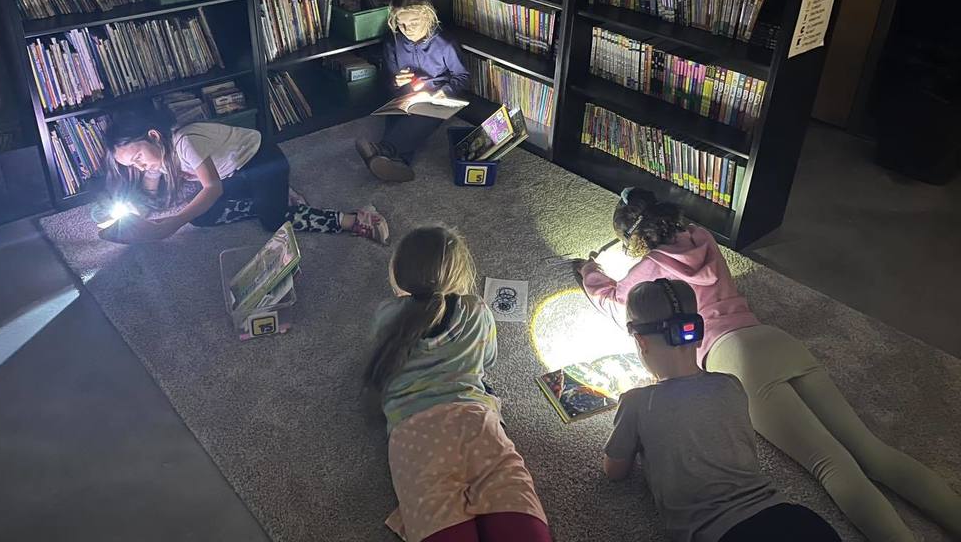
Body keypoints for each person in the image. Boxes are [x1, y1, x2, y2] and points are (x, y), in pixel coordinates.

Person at [581, 188, 961, 542]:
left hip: (736, 358)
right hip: (773, 339)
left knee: (831, 464)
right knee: (872, 451)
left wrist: (588, 272)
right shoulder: (701, 237)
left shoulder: (648, 271)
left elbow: (615, 301)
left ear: (633, 240)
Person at [605, 277, 840, 542]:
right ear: (696, 333)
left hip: (724, 534)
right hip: (794, 520)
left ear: (641, 342)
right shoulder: (730, 385)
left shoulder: (636, 402)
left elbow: (615, 472)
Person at [364, 226, 550, 542]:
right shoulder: (478, 310)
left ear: (399, 273)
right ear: (458, 274)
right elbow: (487, 361)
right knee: (515, 506)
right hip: (475, 420)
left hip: (414, 435)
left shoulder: (386, 316)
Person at [102, 106, 389, 245]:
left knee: (272, 220)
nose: (139, 167)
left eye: (138, 157)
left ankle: (355, 219)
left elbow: (212, 189)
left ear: (153, 136)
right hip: (235, 175)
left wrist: (171, 225)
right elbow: (154, 196)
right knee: (201, 217)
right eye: (131, 165)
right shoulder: (155, 159)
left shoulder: (183, 142)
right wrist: (136, 213)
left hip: (262, 160)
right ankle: (275, 197)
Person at [355, 0, 470, 183]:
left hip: (437, 95)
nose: (407, 29)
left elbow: (462, 75)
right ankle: (398, 162)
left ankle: (384, 150)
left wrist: (444, 92)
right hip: (406, 94)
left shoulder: (445, 44)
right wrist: (396, 81)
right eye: (401, 24)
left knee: (423, 117)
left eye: (414, 23)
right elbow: (390, 77)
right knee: (397, 114)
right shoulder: (393, 43)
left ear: (428, 16)